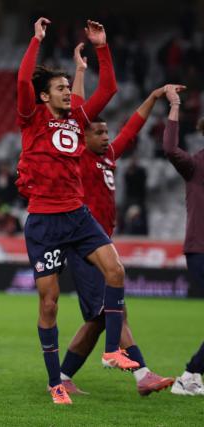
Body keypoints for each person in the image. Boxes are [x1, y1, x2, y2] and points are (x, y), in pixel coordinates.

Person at [16, 18, 137, 405]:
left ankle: (112, 351)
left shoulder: (78, 119)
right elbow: (22, 82)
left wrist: (102, 47)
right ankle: (56, 383)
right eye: (61, 88)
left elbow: (110, 88)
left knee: (116, 271)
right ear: (44, 96)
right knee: (49, 303)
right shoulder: (31, 120)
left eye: (70, 88)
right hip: (44, 223)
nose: (68, 93)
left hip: (78, 215)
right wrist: (36, 41)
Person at [59, 43, 179, 396]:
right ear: (83, 135)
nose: (107, 136)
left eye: (107, 132)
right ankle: (143, 375)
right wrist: (80, 71)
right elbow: (77, 111)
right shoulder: (77, 154)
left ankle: (63, 378)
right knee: (115, 313)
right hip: (84, 246)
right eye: (99, 131)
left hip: (101, 244)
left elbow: (133, 127)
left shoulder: (108, 156)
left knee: (98, 320)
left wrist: (155, 97)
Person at [162, 86, 204, 396]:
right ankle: (190, 375)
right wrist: (174, 106)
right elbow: (170, 149)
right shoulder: (195, 165)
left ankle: (192, 375)